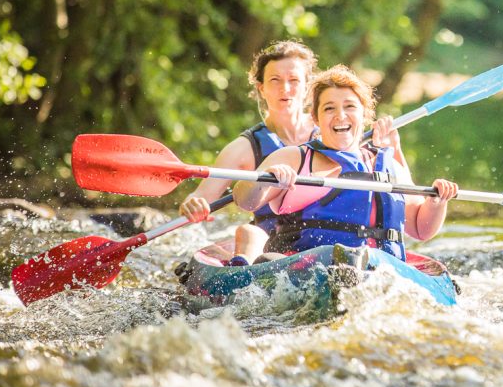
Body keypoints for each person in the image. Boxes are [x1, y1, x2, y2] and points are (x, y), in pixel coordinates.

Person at [232, 64, 458, 263]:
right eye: (329, 108)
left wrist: (437, 202)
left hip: (380, 270)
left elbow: (421, 229)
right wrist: (265, 178)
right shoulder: (294, 157)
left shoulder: (389, 166)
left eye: (350, 106)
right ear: (316, 118)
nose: (340, 115)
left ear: (364, 114)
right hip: (306, 267)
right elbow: (244, 200)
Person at [179, 40, 319, 264]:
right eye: (275, 80)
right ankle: (243, 267)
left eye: (294, 80)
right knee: (248, 230)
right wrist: (193, 203)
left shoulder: (330, 135)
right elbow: (201, 195)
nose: (285, 89)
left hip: (323, 236)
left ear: (307, 86)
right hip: (271, 243)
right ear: (261, 88)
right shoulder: (244, 148)